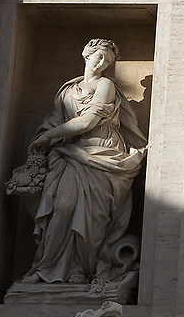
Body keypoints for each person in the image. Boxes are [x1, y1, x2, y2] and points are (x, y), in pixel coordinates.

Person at [10, 39, 146, 286]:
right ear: (87, 56)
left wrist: (48, 137)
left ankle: (81, 271)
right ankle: (48, 268)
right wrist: (46, 138)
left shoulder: (106, 85)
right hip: (69, 155)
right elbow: (54, 122)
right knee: (62, 208)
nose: (102, 63)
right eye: (99, 57)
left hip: (102, 154)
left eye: (108, 60)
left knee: (93, 217)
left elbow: (87, 122)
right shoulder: (67, 91)